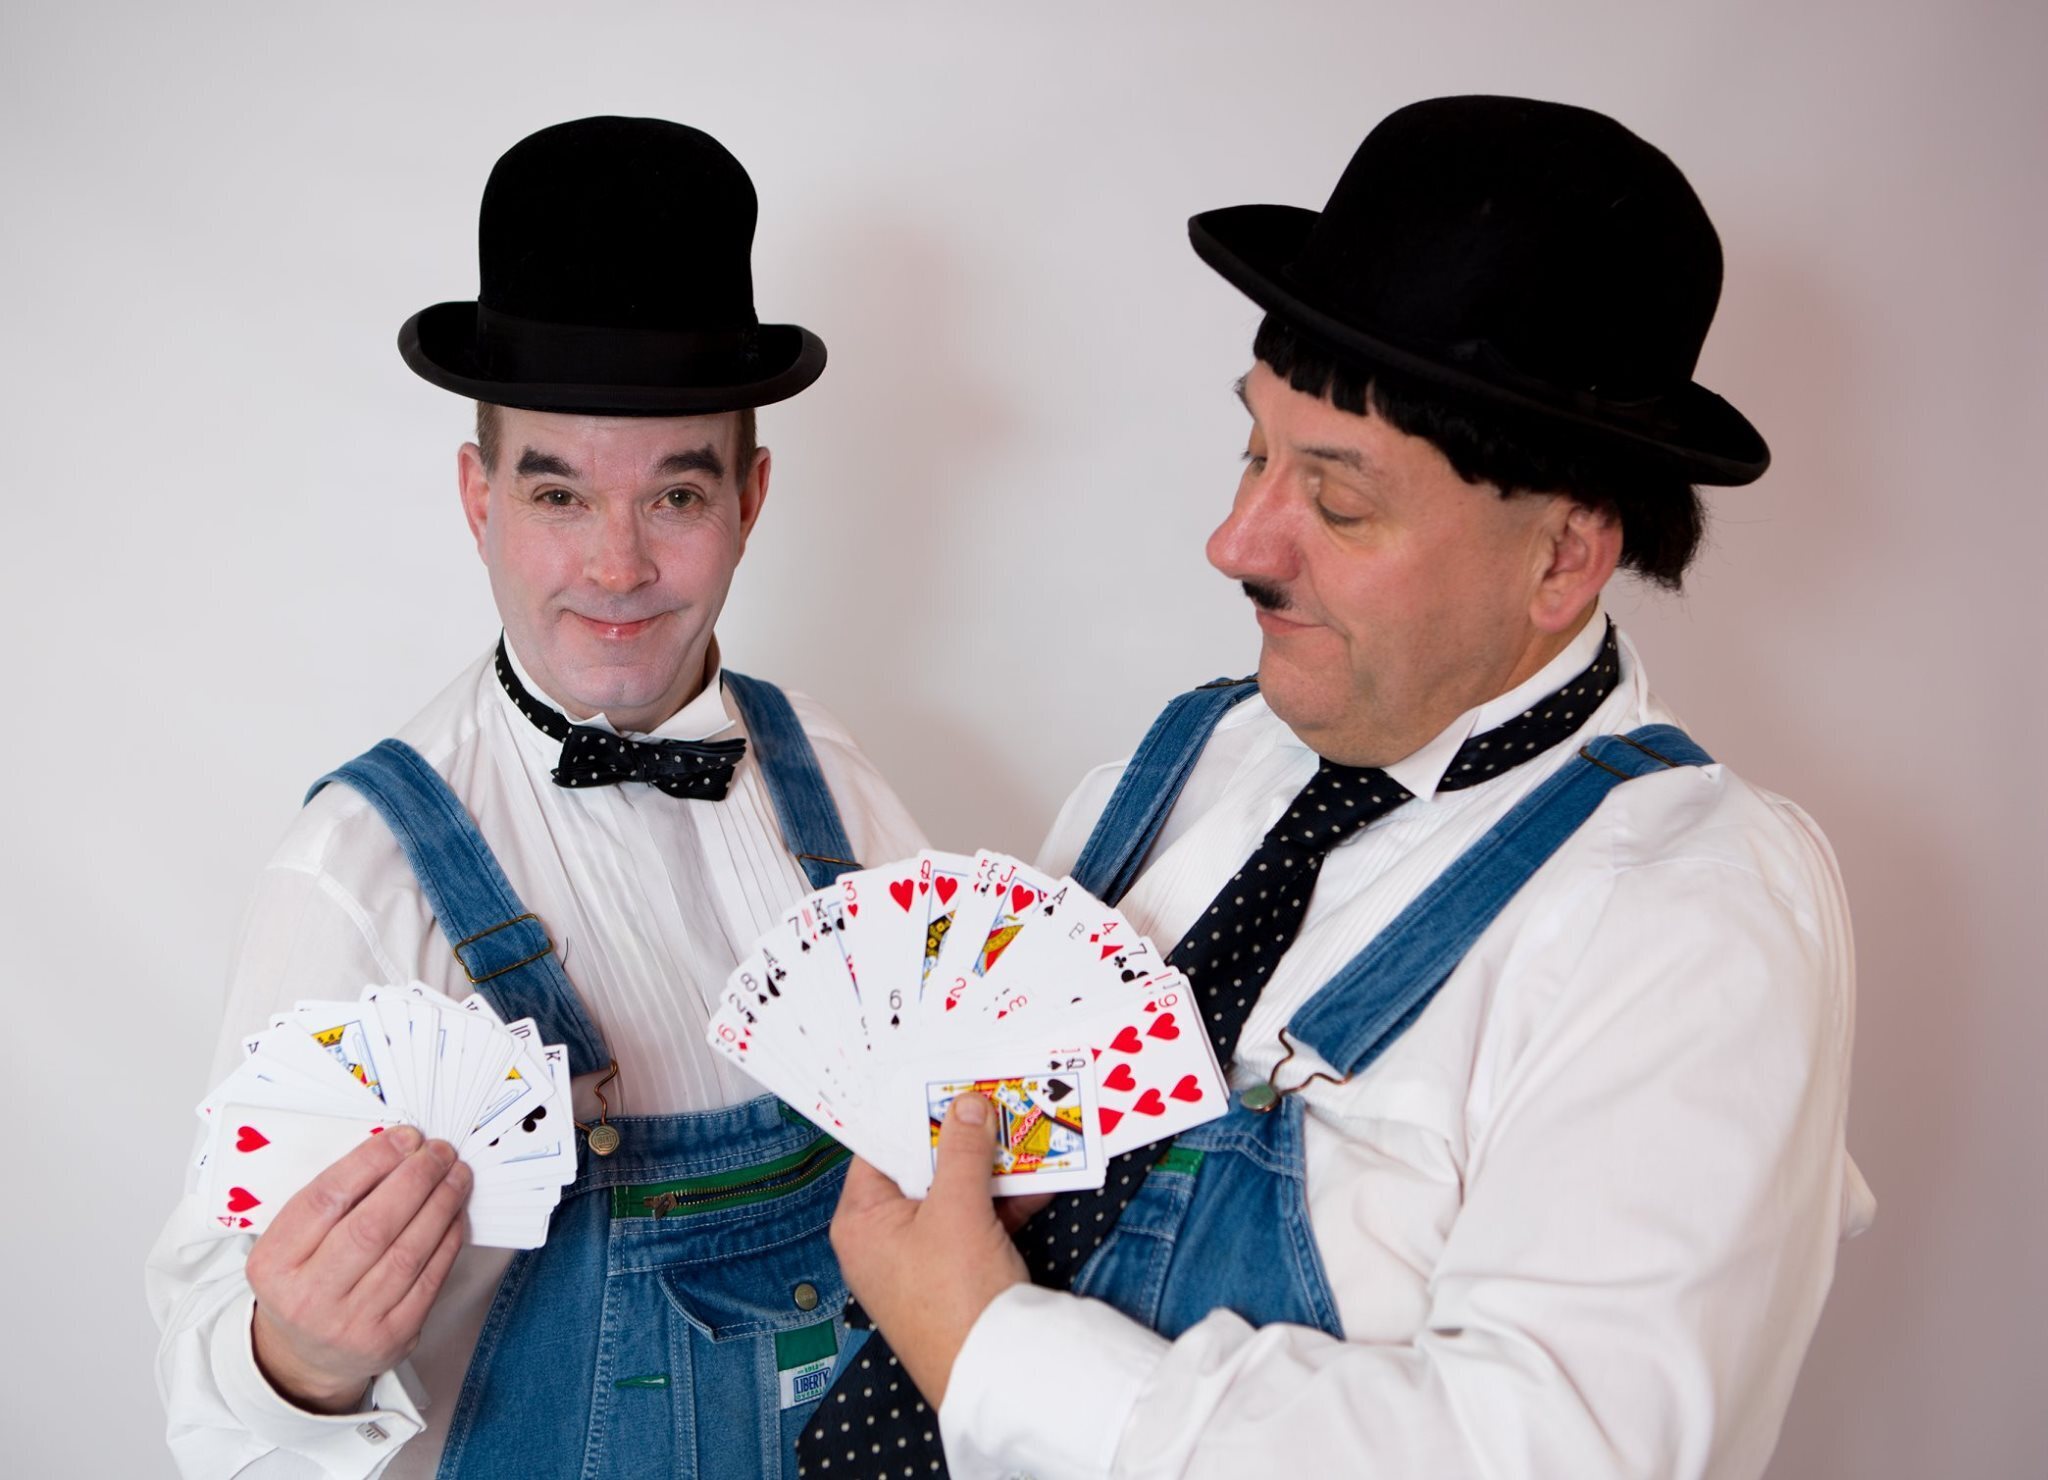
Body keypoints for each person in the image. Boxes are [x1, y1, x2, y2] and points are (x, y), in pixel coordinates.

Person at [815, 95, 1872, 1480]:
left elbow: (1553, 1456)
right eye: (1253, 451)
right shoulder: (1184, 762)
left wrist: (988, 1347)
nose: (1235, 541)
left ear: (1563, 557)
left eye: (1340, 500)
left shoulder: (1695, 914)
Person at [147, 116, 924, 1480]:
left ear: (750, 499)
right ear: (478, 498)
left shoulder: (839, 786)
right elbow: (210, 1413)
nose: (616, 567)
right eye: (559, 494)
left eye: (675, 496)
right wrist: (300, 1360)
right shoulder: (357, 870)